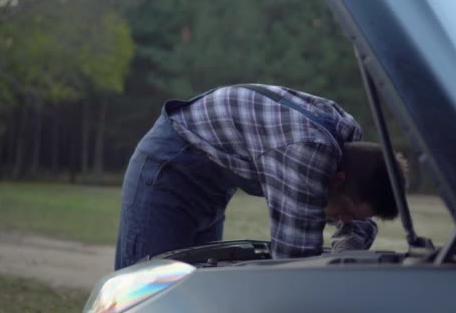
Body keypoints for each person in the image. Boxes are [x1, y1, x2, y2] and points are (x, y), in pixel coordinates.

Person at [114, 84, 404, 270]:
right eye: (348, 213)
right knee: (146, 289)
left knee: (188, 291)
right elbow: (295, 264)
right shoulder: (306, 154)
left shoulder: (352, 152)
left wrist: (345, 253)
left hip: (212, 187)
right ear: (337, 179)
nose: (345, 220)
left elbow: (358, 224)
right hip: (169, 169)